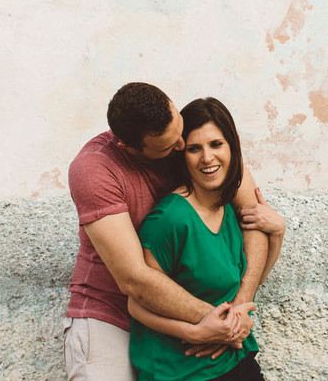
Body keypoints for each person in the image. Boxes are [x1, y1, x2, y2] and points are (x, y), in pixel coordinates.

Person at [65, 83, 285, 381]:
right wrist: (217, 324)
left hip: (183, 317)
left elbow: (252, 215)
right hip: (110, 313)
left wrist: (237, 311)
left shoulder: (177, 137)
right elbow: (135, 280)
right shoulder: (94, 170)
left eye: (181, 131)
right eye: (171, 147)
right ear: (130, 149)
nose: (182, 146)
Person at [128, 97, 283, 381]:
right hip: (182, 370)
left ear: (232, 147)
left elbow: (255, 279)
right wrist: (197, 332)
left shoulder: (231, 209)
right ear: (182, 156)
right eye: (194, 149)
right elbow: (137, 302)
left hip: (235, 359)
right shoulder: (169, 219)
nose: (207, 158)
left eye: (216, 144)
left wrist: (278, 233)